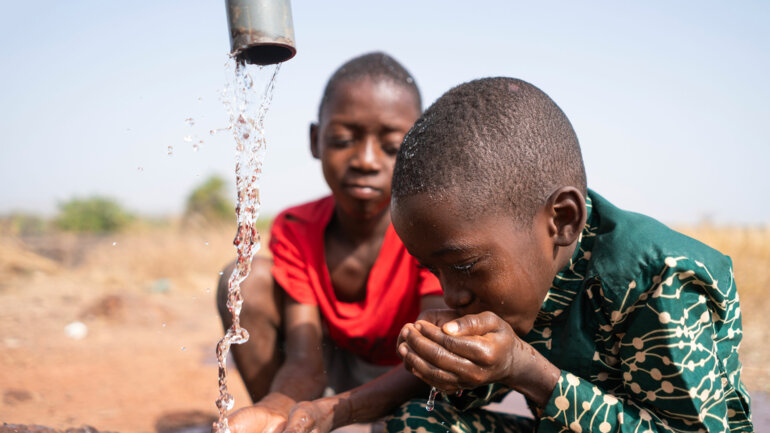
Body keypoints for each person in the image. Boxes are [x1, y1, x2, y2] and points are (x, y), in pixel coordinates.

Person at [386, 77, 752, 432]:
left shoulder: (657, 279)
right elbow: (479, 392)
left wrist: (527, 370)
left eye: (465, 266)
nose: (452, 296)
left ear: (562, 220)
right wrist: (451, 362)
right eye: (434, 270)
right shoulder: (529, 274)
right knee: (419, 423)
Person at [216, 52, 444, 433]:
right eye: (343, 140)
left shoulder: (431, 229)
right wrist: (277, 409)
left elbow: (431, 359)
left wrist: (340, 411)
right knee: (244, 281)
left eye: (391, 146)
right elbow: (305, 361)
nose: (366, 160)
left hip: (408, 379)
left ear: (416, 151)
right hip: (329, 368)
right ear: (315, 140)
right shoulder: (297, 228)